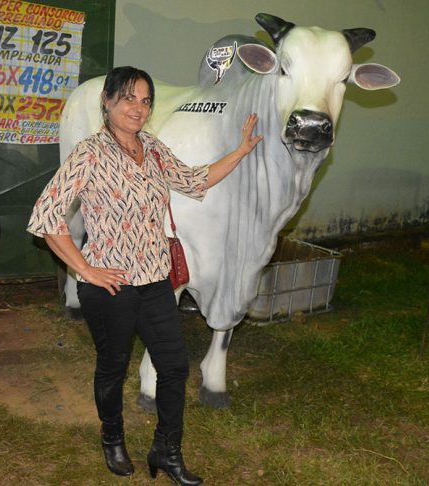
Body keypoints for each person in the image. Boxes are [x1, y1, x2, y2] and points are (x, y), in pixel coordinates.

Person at [27, 66, 262, 484]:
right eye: (128, 98)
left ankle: (166, 450)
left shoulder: (152, 148)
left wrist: (241, 151)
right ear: (107, 101)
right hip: (111, 285)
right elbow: (46, 217)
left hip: (156, 281)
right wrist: (85, 269)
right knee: (113, 368)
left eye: (145, 100)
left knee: (174, 367)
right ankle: (112, 438)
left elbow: (193, 180)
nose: (138, 108)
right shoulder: (89, 153)